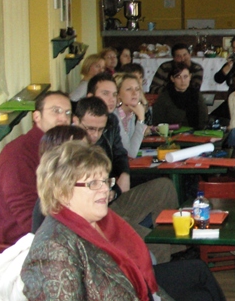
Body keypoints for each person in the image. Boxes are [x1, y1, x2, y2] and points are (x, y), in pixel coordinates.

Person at [21, 141, 229, 301]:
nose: (106, 190)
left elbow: (135, 275)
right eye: (93, 183)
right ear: (62, 191)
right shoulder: (54, 248)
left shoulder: (102, 225)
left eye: (105, 181)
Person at [75, 95, 179, 263]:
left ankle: (176, 252)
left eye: (100, 129)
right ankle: (162, 267)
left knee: (164, 186)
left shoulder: (109, 126)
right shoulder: (69, 146)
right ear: (76, 121)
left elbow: (121, 154)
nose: (95, 135)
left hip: (112, 198)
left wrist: (124, 174)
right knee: (156, 241)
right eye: (90, 129)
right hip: (97, 213)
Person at [0, 91, 72, 244]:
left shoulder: (59, 148)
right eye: (56, 111)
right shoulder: (18, 154)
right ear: (37, 116)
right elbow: (28, 218)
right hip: (21, 243)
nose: (63, 118)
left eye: (68, 113)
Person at [153, 62, 209, 129]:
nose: (183, 81)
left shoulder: (196, 94)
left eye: (185, 77)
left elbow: (204, 118)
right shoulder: (164, 97)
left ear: (190, 77)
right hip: (171, 132)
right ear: (172, 79)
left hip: (195, 132)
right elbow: (157, 121)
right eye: (178, 77)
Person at [114, 72, 149, 158]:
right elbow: (131, 153)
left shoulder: (131, 114)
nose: (134, 93)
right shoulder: (114, 116)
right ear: (118, 94)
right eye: (129, 89)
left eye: (137, 89)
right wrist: (141, 120)